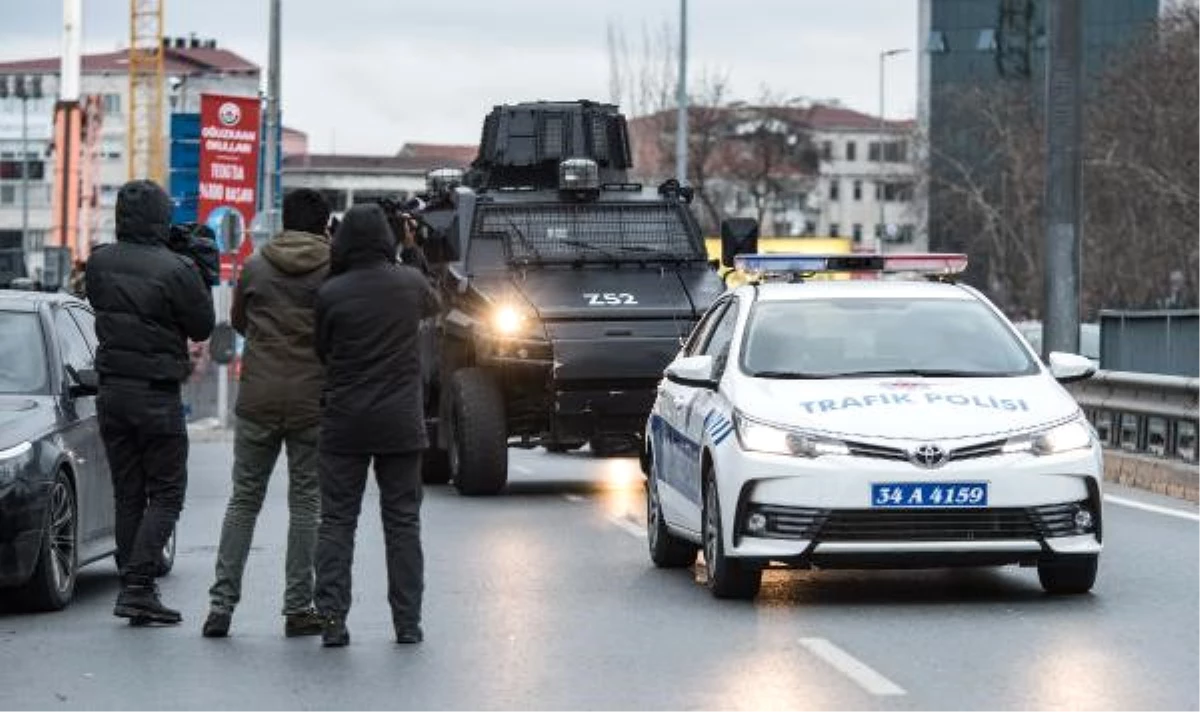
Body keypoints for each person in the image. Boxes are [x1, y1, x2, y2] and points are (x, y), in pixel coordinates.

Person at [202, 189, 334, 639]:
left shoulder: (256, 265)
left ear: (284, 223)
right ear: (323, 225)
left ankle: (221, 606)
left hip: (258, 397)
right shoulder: (332, 268)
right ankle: (298, 607)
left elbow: (239, 322)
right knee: (306, 502)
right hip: (310, 400)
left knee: (244, 499)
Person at [85, 180, 215, 625]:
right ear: (162, 217)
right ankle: (139, 587)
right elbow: (201, 326)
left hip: (111, 392)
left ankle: (132, 582)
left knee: (129, 494)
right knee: (167, 495)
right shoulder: (176, 269)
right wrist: (195, 266)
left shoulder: (99, 262)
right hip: (156, 394)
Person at [313, 203, 440, 647]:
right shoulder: (410, 283)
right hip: (400, 422)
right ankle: (407, 623)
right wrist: (411, 249)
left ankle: (332, 620)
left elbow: (322, 350)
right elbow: (436, 302)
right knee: (403, 522)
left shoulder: (331, 291)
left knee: (336, 522)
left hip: (345, 420)